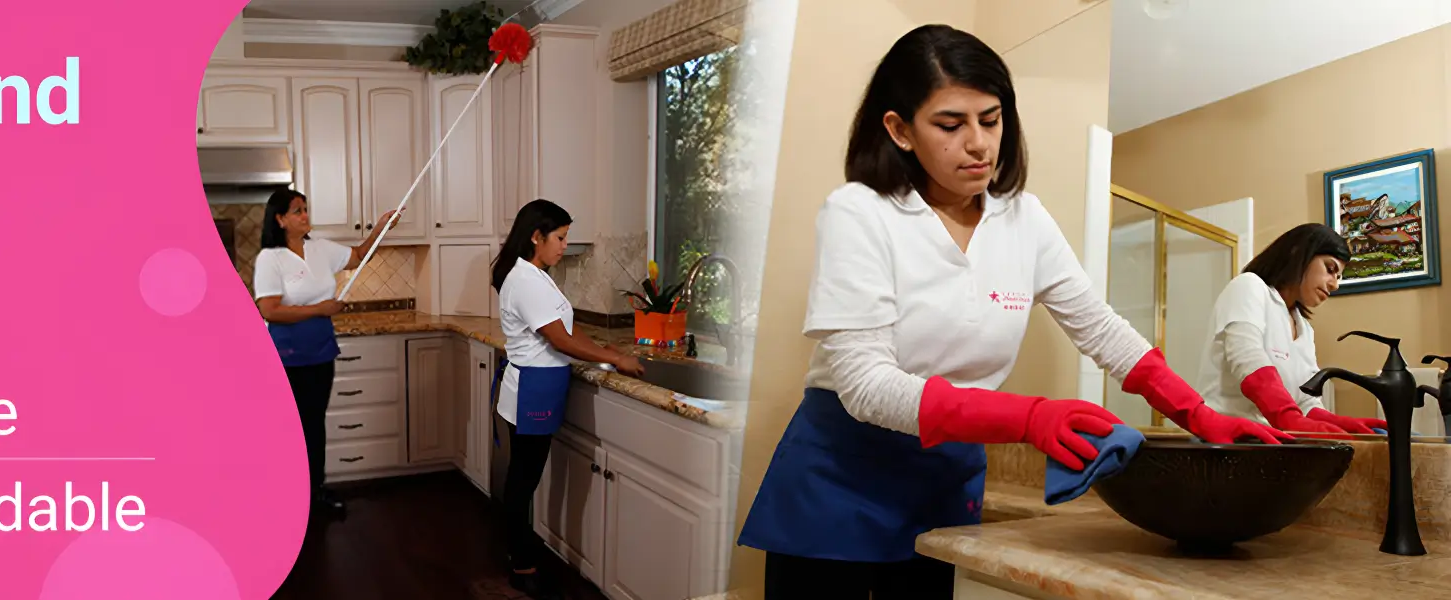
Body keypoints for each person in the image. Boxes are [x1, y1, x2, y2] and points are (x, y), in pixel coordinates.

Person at [736, 24, 1293, 599]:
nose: (978, 143)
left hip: (944, 479)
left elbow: (1100, 328)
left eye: (992, 119)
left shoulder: (1023, 218)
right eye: (950, 125)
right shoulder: (860, 212)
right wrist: (1028, 417)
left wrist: (1197, 415)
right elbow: (865, 386)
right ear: (900, 130)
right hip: (842, 473)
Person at [490, 199, 645, 599]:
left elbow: (565, 332)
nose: (564, 246)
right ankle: (521, 563)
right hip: (532, 391)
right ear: (536, 237)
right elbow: (559, 339)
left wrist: (610, 354)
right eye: (559, 238)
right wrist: (615, 357)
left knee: (525, 475)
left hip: (536, 386)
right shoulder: (525, 280)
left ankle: (519, 545)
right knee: (524, 480)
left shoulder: (534, 274)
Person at [253, 189, 399, 519]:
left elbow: (360, 256)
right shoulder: (270, 259)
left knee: (314, 423)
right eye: (297, 211)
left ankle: (315, 491)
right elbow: (270, 310)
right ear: (280, 220)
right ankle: (285, 495)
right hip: (286, 356)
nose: (305, 216)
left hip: (320, 351)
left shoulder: (320, 249)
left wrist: (380, 229)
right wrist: (321, 308)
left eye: (305, 209)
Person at [1195, 223, 1387, 434]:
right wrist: (1288, 418)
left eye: (1339, 276)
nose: (1335, 285)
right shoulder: (1249, 286)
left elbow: (1306, 400)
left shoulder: (1304, 328)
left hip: (1271, 440)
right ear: (1299, 253)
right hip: (1228, 440)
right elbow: (1247, 357)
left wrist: (1340, 423)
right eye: (1330, 269)